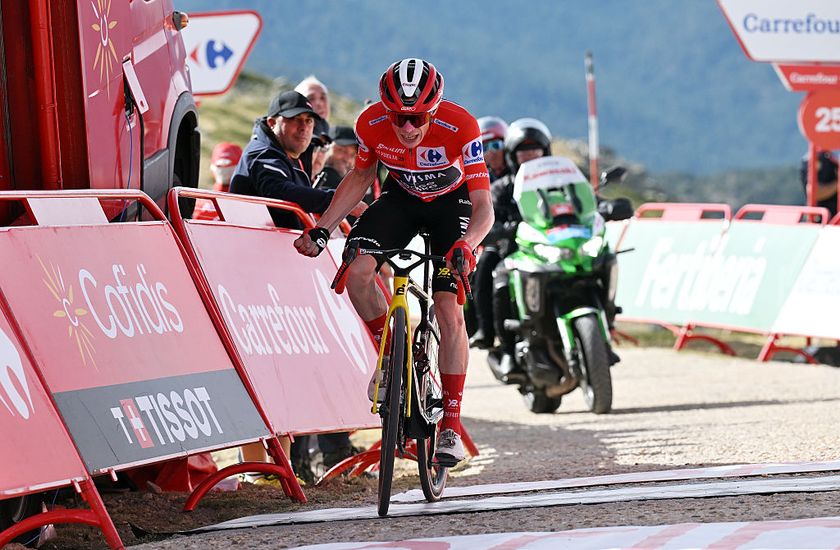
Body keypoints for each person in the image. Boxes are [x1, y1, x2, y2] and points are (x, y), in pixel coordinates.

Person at [294, 58, 493, 465]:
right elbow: (361, 177)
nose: (406, 128)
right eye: (398, 118)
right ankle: (390, 356)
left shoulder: (462, 126)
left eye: (416, 118)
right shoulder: (370, 123)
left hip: (451, 206)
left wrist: (468, 245)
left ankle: (451, 424)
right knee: (358, 272)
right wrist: (322, 227)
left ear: (433, 110)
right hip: (401, 200)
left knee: (447, 306)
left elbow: (483, 203)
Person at [229, 90, 366, 229]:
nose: (303, 127)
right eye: (295, 119)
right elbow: (279, 190)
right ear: (272, 123)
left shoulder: (293, 153)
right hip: (252, 244)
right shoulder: (262, 154)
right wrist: (338, 201)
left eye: (309, 121)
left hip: (276, 244)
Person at [488, 118, 553, 371]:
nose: (530, 155)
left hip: (555, 251)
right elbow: (489, 219)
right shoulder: (502, 189)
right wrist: (502, 230)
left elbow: (584, 202)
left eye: (535, 149)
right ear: (513, 156)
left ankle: (606, 324)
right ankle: (506, 350)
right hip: (518, 253)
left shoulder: (559, 181)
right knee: (501, 280)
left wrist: (603, 207)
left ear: (546, 151)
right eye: (523, 151)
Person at [468, 116, 510, 349]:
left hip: (526, 235)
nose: (490, 152)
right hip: (495, 236)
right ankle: (485, 330)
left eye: (496, 145)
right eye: (483, 147)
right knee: (483, 269)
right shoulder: (476, 176)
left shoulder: (521, 168)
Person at [192, 142, 242, 221]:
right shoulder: (199, 204)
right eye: (219, 166)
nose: (224, 170)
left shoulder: (245, 205)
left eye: (228, 166)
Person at [800, 150, 838, 219]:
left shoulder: (833, 157)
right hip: (821, 219)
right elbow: (815, 193)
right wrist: (837, 185)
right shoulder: (812, 159)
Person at [476, 116, 509, 182]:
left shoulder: (518, 173)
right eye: (484, 148)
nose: (490, 152)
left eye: (496, 145)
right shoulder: (477, 181)